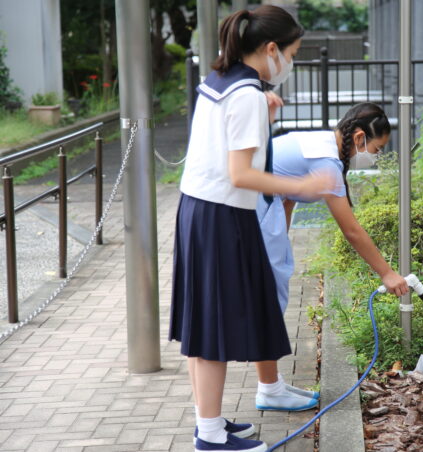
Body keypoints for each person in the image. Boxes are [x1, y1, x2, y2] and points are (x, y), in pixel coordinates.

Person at [169, 6, 335, 452]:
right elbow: (242, 174)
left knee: (203, 327)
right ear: (270, 49)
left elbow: (230, 145)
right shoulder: (245, 94)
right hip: (221, 214)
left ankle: (213, 423)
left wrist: (265, 111)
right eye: (293, 53)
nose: (291, 62)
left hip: (200, 210)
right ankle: (209, 435)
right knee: (213, 330)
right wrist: (302, 186)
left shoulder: (224, 81)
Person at [257, 102, 409, 331]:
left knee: (266, 289)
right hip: (255, 205)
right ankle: (265, 359)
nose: (376, 157)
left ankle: (264, 360)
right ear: (359, 138)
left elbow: (288, 199)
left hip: (255, 205)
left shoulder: (318, 142)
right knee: (268, 296)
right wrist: (387, 273)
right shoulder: (326, 162)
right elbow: (351, 230)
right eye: (377, 149)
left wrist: (280, 243)